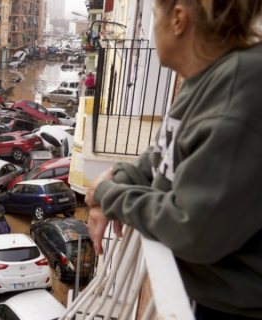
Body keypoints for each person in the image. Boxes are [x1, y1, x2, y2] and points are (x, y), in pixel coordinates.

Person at [84, 0, 262, 319]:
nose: (152, 29)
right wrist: (114, 185)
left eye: (154, 16)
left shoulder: (238, 92)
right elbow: (160, 156)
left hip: (229, 309)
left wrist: (107, 194)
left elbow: (192, 229)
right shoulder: (206, 79)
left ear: (178, 20)